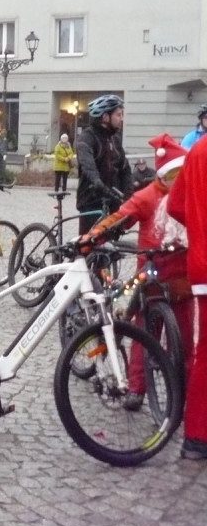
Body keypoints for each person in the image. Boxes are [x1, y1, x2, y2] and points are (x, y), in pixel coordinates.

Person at [80, 134, 192, 411]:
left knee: (187, 341)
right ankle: (137, 388)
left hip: (184, 282)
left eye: (183, 173)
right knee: (144, 336)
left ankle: (187, 391)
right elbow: (120, 219)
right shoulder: (148, 196)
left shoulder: (194, 194)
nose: (178, 179)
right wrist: (92, 237)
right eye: (174, 174)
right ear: (163, 175)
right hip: (152, 278)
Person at [167, 128, 207, 460]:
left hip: (200, 263)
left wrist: (198, 225)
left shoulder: (198, 150)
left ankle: (196, 435)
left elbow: (176, 206)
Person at [76, 94, 133, 236]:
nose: (122, 119)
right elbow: (87, 163)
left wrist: (128, 195)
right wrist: (96, 181)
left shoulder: (115, 140)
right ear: (105, 117)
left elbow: (125, 169)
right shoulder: (87, 138)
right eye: (118, 115)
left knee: (111, 248)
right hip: (91, 198)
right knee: (87, 246)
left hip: (113, 200)